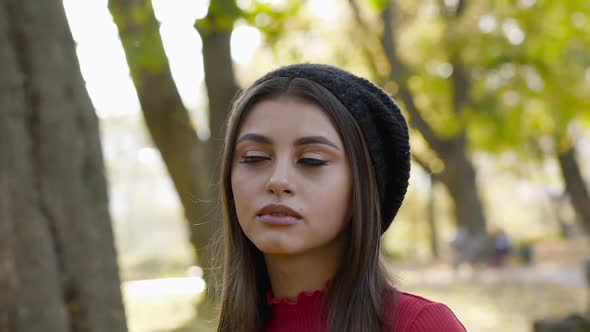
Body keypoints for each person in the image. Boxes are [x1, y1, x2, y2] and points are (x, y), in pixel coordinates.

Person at [215, 64, 466, 331]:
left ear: (362, 186)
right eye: (255, 158)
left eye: (312, 160)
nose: (278, 180)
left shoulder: (420, 326)